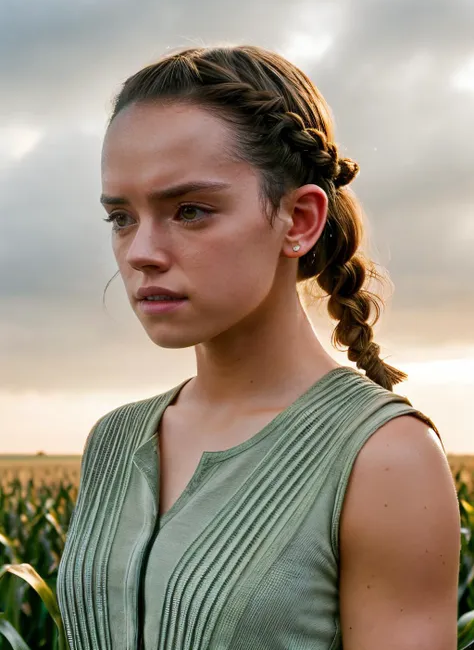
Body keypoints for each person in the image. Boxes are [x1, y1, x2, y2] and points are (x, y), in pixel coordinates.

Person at [57, 44, 460, 650]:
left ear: (298, 219)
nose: (141, 251)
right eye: (121, 217)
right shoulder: (112, 443)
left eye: (189, 210)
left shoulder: (384, 458)